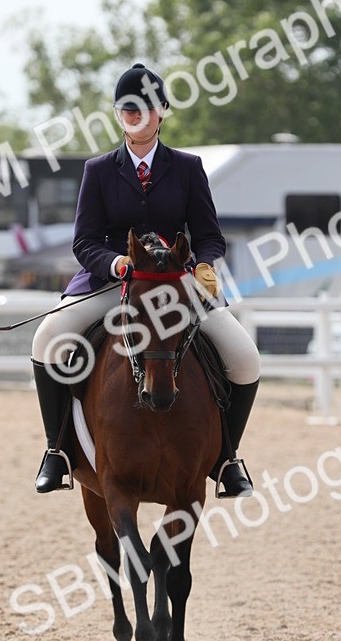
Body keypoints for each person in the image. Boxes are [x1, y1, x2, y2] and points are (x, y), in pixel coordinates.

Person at [31, 62, 260, 497]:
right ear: (118, 114)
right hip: (114, 283)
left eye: (143, 108)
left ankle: (228, 459)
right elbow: (84, 242)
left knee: (245, 358)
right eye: (126, 109)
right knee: (48, 338)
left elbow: (209, 236)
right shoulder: (98, 170)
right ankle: (56, 451)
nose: (135, 115)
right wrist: (117, 263)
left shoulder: (188, 167)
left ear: (162, 112)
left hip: (178, 286)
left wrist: (205, 266)